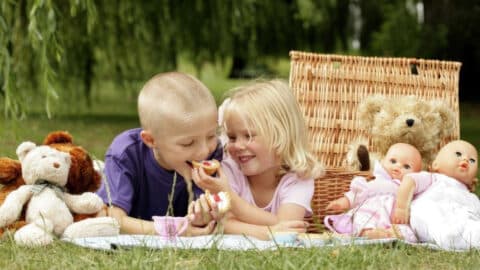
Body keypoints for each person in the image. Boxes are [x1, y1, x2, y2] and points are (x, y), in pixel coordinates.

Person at [192, 80, 324, 240]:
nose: (238, 146)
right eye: (232, 137)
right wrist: (269, 232)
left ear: (281, 135)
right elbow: (222, 223)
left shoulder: (299, 179)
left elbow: (288, 228)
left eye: (248, 136)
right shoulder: (231, 170)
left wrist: (229, 198)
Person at [96, 72, 223, 236]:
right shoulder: (125, 154)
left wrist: (204, 216)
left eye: (211, 136)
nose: (204, 151)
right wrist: (172, 229)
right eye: (188, 143)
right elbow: (113, 220)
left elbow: (212, 215)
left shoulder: (214, 154)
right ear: (151, 140)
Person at [324, 143, 422, 242]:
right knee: (361, 218)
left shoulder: (412, 190)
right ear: (383, 162)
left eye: (406, 166)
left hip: (395, 221)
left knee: (409, 231)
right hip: (372, 212)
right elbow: (359, 194)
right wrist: (343, 202)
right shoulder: (379, 182)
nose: (397, 166)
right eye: (393, 161)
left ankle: (390, 235)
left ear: (417, 174)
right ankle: (368, 233)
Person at [393, 140, 480, 250]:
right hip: (432, 214)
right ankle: (455, 238)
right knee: (447, 229)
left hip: (460, 220)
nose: (465, 159)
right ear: (436, 164)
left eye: (472, 160)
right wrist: (401, 208)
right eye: (458, 154)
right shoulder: (433, 178)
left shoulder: (470, 196)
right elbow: (409, 181)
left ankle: (463, 238)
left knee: (470, 225)